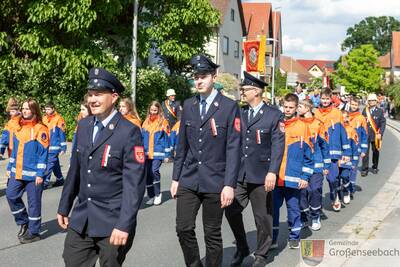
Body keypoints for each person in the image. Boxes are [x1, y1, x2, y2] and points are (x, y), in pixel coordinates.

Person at [57, 67, 146, 267]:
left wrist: (124, 225)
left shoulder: (129, 132)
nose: (92, 99)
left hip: (113, 222)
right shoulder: (84, 126)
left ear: (114, 97)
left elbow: (134, 185)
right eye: (90, 94)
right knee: (71, 261)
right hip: (82, 218)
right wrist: (64, 206)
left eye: (98, 94)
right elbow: (75, 172)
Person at [170, 55, 241, 267]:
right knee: (183, 228)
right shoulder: (189, 105)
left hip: (216, 181)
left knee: (212, 233)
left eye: (203, 76)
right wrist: (175, 178)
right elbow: (181, 145)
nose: (198, 81)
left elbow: (233, 148)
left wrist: (229, 184)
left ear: (213, 77)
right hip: (189, 178)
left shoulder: (228, 107)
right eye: (196, 77)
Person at [225, 72, 285, 267]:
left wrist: (272, 172)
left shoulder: (274, 115)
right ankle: (242, 247)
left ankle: (261, 254)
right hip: (241, 173)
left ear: (257, 91)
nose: (242, 91)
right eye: (242, 88)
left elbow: (278, 145)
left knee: (263, 218)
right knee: (231, 210)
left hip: (262, 174)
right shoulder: (240, 112)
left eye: (246, 89)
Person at [272, 93, 313, 250]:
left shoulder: (303, 127)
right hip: (275, 177)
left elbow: (309, 155)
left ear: (297, 108)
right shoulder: (276, 124)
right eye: (285, 107)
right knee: (272, 210)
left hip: (293, 178)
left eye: (291, 107)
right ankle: (273, 239)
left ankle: (294, 236)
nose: (287, 110)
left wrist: (305, 176)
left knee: (293, 209)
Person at [6, 98, 49, 243]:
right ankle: (23, 222)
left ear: (34, 110)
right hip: (17, 172)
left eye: (27, 108)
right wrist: (9, 167)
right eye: (23, 108)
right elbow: (15, 151)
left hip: (34, 175)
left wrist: (40, 174)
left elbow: (44, 154)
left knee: (34, 203)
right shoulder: (19, 127)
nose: (24, 111)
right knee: (11, 195)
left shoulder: (41, 129)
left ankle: (34, 232)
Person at [314, 88, 351, 211]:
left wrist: (346, 151)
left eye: (327, 99)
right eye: (323, 98)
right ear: (319, 98)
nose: (325, 101)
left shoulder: (337, 113)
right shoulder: (315, 113)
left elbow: (343, 133)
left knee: (332, 178)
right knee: (315, 182)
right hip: (319, 153)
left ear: (331, 99)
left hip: (333, 153)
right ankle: (315, 205)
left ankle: (334, 196)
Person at [297, 99, 330, 231]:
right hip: (300, 165)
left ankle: (315, 215)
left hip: (316, 164)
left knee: (314, 190)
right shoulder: (297, 123)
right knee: (301, 192)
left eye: (300, 106)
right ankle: (304, 216)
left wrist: (326, 166)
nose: (298, 109)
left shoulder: (318, 124)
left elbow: (324, 146)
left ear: (307, 107)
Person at [142, 101, 170, 206]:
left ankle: (158, 194)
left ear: (159, 110)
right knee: (147, 175)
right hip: (146, 153)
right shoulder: (145, 122)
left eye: (155, 110)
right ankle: (151, 196)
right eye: (152, 110)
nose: (153, 112)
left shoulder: (163, 122)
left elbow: (167, 139)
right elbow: (141, 138)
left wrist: (167, 155)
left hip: (158, 152)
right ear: (149, 109)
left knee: (154, 171)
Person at [42, 102, 67, 188]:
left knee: (49, 164)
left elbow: (62, 133)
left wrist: (63, 147)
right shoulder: (44, 119)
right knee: (55, 164)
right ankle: (60, 180)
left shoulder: (58, 119)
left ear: (53, 109)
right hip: (46, 146)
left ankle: (45, 183)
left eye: (49, 109)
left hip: (54, 147)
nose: (47, 111)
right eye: (46, 109)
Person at [361, 93, 386, 176]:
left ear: (376, 101)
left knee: (375, 151)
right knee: (365, 152)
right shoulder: (365, 110)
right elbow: (362, 122)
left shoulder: (380, 111)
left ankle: (375, 166)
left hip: (376, 135)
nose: (371, 102)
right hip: (366, 135)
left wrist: (380, 133)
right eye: (370, 100)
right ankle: (365, 168)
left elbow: (383, 123)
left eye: (373, 100)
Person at [348, 96, 368, 198]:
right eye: (352, 104)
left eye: (356, 105)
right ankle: (345, 185)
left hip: (356, 148)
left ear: (358, 105)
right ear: (349, 104)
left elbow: (365, 135)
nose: (354, 106)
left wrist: (364, 149)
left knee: (353, 168)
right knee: (344, 169)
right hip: (346, 148)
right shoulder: (345, 116)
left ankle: (351, 188)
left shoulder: (361, 118)